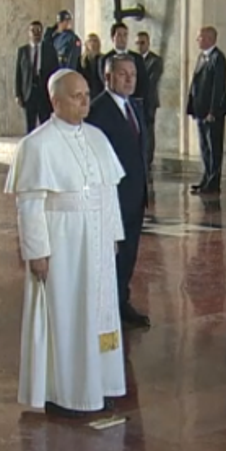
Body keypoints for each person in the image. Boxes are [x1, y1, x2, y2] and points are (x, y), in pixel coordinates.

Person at [5, 69, 127, 418]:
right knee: (68, 315)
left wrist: (114, 235)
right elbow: (29, 204)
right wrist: (37, 252)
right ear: (55, 101)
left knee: (100, 313)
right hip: (63, 245)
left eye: (87, 94)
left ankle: (100, 384)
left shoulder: (98, 138)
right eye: (76, 96)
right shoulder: (36, 144)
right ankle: (67, 391)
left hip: (98, 243)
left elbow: (109, 192)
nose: (85, 101)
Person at [87, 54, 150, 329]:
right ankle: (105, 306)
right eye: (122, 74)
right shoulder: (98, 111)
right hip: (112, 196)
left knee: (128, 252)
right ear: (108, 77)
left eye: (132, 74)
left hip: (135, 194)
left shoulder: (134, 107)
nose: (129, 79)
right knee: (110, 254)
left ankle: (121, 301)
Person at [186, 26, 226, 195]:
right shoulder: (202, 57)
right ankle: (206, 178)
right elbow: (195, 83)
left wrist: (212, 111)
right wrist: (191, 106)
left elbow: (218, 88)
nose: (198, 40)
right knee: (204, 148)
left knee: (214, 147)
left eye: (200, 38)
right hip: (200, 110)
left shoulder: (218, 58)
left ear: (210, 39)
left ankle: (214, 182)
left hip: (212, 113)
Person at [16, 21, 57, 133]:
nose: (35, 33)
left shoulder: (50, 50)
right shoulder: (23, 51)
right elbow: (19, 73)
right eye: (33, 31)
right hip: (29, 93)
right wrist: (18, 94)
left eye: (38, 30)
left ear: (42, 32)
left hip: (44, 92)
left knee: (45, 124)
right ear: (29, 33)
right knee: (30, 125)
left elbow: (55, 72)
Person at [135, 31, 164, 174]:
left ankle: (148, 161)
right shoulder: (133, 59)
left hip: (149, 101)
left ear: (148, 43)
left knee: (148, 132)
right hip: (135, 101)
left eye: (142, 43)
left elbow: (150, 82)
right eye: (137, 43)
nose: (140, 46)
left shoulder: (155, 60)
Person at [79, 33, 105, 99]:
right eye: (90, 41)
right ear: (86, 44)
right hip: (86, 92)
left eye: (95, 41)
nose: (92, 43)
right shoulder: (80, 60)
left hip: (100, 91)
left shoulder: (103, 58)